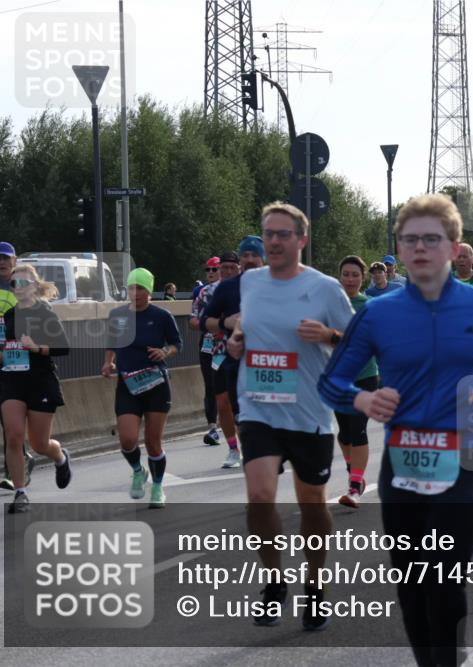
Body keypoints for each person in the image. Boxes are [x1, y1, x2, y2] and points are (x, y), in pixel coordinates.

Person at [318, 193, 473, 665]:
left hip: (465, 458)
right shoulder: (377, 312)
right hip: (404, 461)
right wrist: (363, 398)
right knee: (412, 582)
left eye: (431, 239)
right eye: (409, 239)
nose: (419, 248)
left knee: (446, 576)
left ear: (454, 247)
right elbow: (331, 381)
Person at [226, 202, 355, 632]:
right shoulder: (250, 281)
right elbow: (242, 328)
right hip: (258, 405)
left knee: (312, 504)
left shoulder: (325, 289)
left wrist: (329, 335)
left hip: (309, 412)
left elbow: (357, 344)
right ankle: (274, 581)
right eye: (269, 234)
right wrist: (237, 342)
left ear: (302, 240)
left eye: (284, 234)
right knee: (260, 496)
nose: (275, 241)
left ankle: (315, 585)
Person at [0, 264, 72, 513]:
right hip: (12, 381)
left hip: (40, 381)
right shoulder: (10, 315)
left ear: (34, 286)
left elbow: (63, 347)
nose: (18, 288)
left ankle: (60, 457)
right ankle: (21, 493)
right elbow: (10, 346)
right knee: (13, 435)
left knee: (39, 444)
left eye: (23, 283)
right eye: (14, 284)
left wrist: (37, 347)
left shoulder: (45, 313)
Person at [102, 268, 182, 508]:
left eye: (141, 289)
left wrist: (164, 352)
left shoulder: (161, 315)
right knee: (127, 439)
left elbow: (176, 343)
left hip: (155, 383)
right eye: (131, 288)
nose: (135, 293)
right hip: (128, 384)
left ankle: (157, 487)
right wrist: (108, 362)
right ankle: (138, 471)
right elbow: (111, 342)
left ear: (149, 291)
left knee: (153, 442)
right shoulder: (117, 315)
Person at [204, 240, 266, 469]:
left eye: (254, 255)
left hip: (272, 362)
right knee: (226, 405)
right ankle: (235, 449)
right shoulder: (220, 290)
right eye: (245, 255)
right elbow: (200, 321)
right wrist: (224, 322)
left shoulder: (280, 283)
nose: (249, 259)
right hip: (225, 356)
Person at [0, 241, 35, 491]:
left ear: (15, 261)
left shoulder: (25, 283)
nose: (2, 263)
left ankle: (25, 456)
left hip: (24, 358)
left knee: (25, 415)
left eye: (6, 258)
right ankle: (15, 467)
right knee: (5, 413)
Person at [332, 255, 379, 508]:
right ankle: (355, 471)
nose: (350, 279)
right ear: (340, 276)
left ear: (362, 278)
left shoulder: (370, 305)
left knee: (358, 429)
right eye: (346, 274)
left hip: (366, 377)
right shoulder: (330, 303)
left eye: (355, 275)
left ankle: (354, 486)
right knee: (345, 433)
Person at [190, 256, 221, 447]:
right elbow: (193, 320)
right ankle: (212, 427)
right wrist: (206, 324)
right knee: (210, 385)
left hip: (228, 344)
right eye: (207, 270)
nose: (210, 273)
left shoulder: (234, 289)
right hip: (207, 343)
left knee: (228, 387)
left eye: (214, 269)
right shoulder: (200, 292)